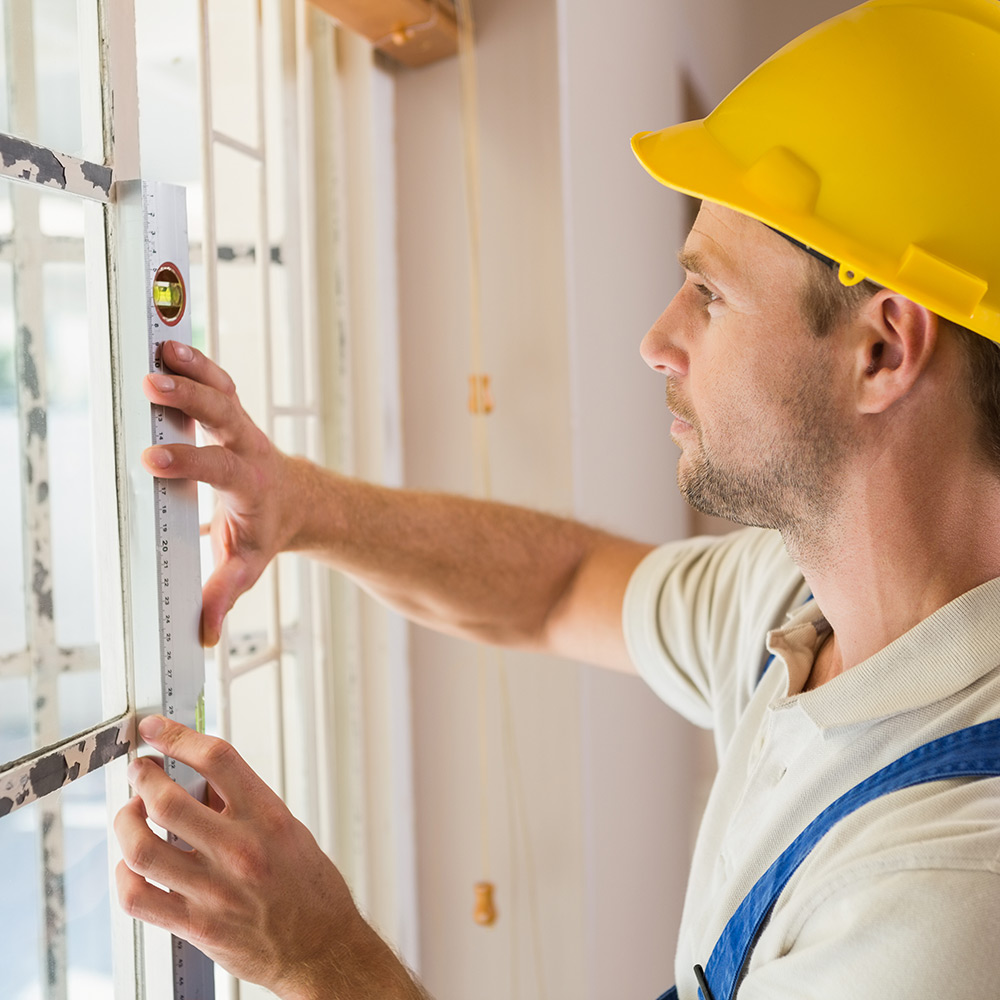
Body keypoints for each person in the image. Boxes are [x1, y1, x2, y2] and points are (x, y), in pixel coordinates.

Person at [115, 0, 1000, 997]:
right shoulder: (803, 602)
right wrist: (300, 504)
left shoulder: (941, 896)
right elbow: (563, 584)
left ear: (881, 349)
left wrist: (319, 956)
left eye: (708, 294)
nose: (656, 339)